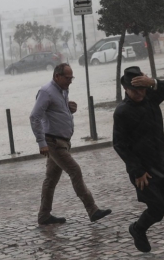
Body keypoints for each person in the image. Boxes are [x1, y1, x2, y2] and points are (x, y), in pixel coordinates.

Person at [112, 66, 164, 260]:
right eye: (135, 90)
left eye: (142, 88)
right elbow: (119, 145)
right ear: (125, 89)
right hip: (142, 171)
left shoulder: (151, 97)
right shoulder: (122, 112)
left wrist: (153, 83)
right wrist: (137, 170)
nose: (140, 93)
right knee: (157, 209)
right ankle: (138, 228)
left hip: (162, 163)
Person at [30, 63, 112, 225]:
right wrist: (41, 142)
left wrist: (68, 108)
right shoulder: (46, 91)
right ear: (57, 76)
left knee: (51, 179)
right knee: (75, 170)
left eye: (71, 78)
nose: (70, 81)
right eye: (67, 78)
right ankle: (92, 209)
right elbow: (35, 117)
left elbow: (54, 110)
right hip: (53, 142)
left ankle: (44, 215)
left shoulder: (63, 90)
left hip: (63, 141)